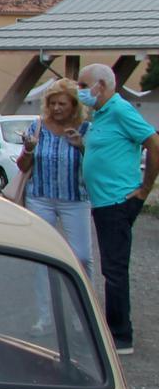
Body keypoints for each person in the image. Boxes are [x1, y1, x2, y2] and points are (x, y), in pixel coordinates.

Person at [77, 63, 159, 355]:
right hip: (104, 201)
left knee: (114, 269)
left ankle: (121, 335)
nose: (81, 91)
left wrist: (144, 189)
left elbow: (153, 142)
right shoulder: (101, 114)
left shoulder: (120, 110)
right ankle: (115, 329)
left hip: (117, 201)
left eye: (84, 86)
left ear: (102, 85)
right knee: (111, 267)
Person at [15, 78, 93, 333]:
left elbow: (96, 166)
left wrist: (82, 148)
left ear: (74, 106)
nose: (57, 108)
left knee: (81, 256)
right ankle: (44, 315)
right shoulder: (38, 127)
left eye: (63, 104)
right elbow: (23, 166)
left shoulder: (85, 129)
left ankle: (83, 315)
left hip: (75, 198)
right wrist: (28, 149)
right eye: (53, 103)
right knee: (42, 256)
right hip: (41, 196)